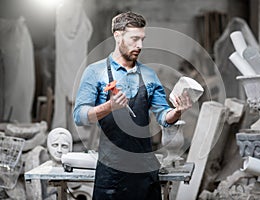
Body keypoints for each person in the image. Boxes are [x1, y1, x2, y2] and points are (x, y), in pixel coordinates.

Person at [73, 11, 192, 200]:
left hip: (145, 170)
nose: (140, 46)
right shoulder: (95, 72)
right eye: (134, 39)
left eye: (142, 39)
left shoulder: (149, 75)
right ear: (117, 35)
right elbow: (79, 116)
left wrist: (176, 112)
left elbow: (163, 116)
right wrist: (109, 107)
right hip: (111, 171)